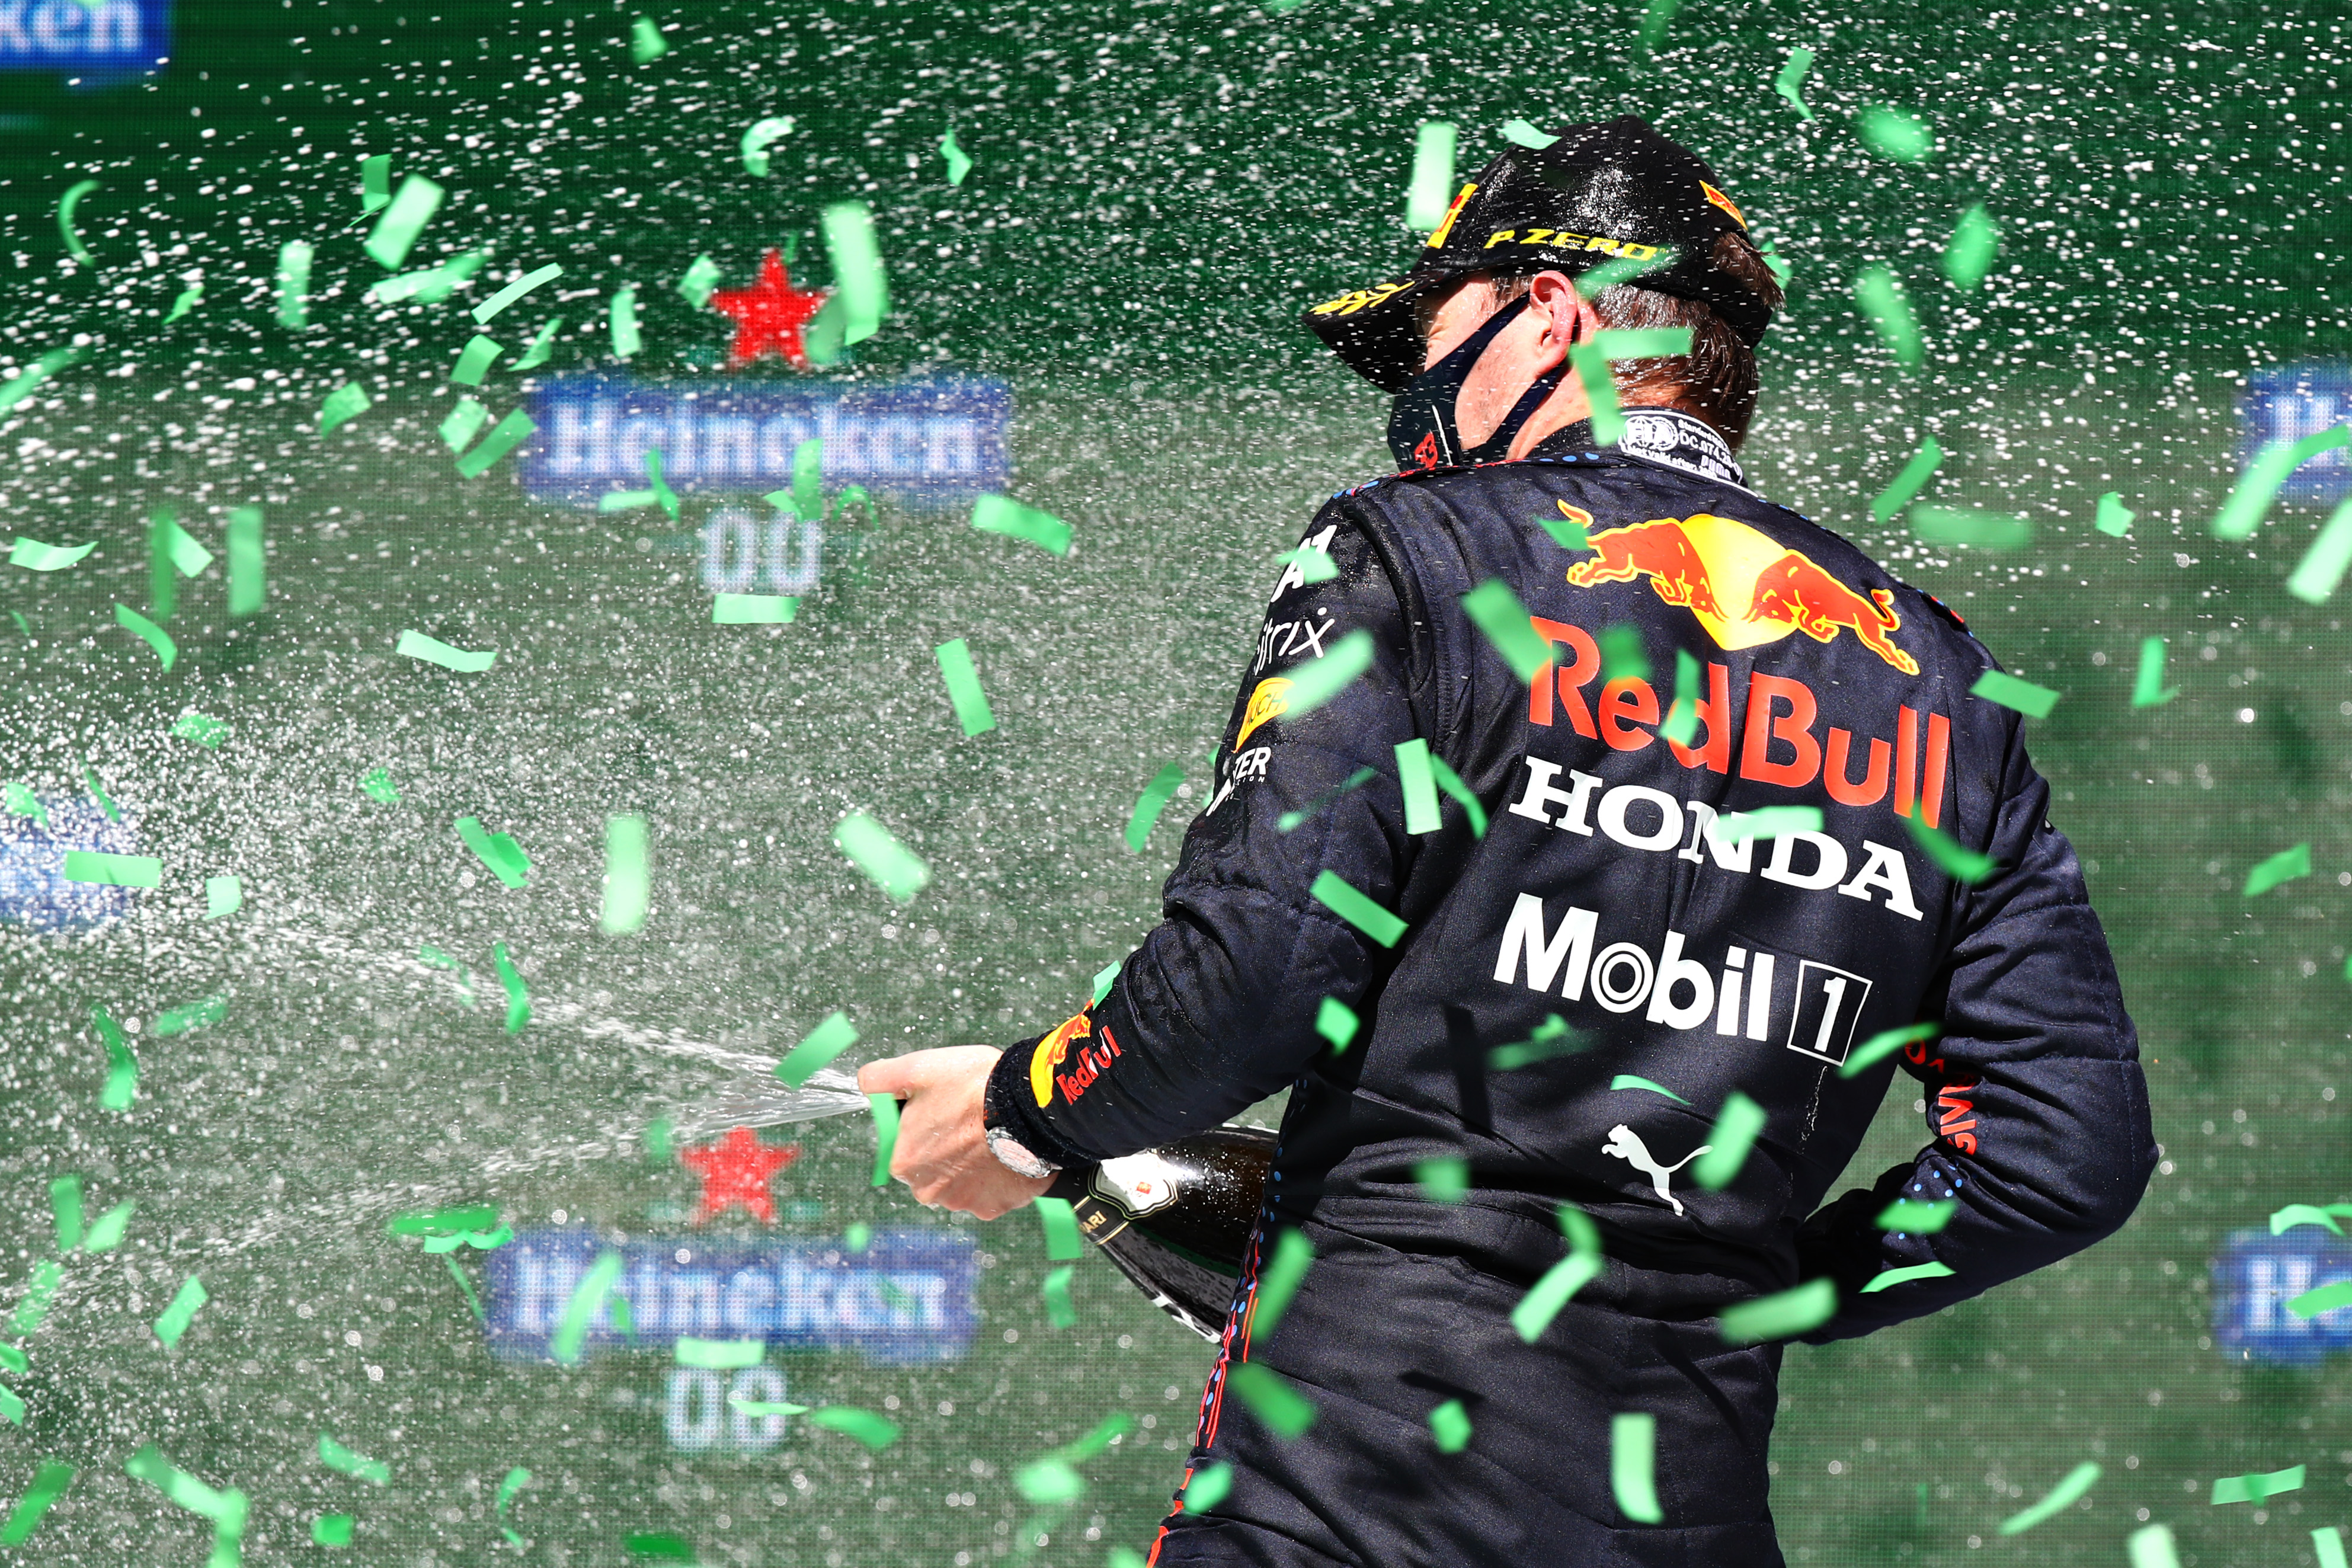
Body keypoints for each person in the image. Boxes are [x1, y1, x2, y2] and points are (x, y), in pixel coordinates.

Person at [859, 116, 2155, 1568]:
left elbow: (1254, 975)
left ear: (1548, 317)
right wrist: (1750, 1286)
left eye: (1434, 336)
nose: (1414, 394)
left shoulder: (1409, 551)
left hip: (1343, 1510)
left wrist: (1024, 1112)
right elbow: (2056, 1159)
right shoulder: (1939, 677)